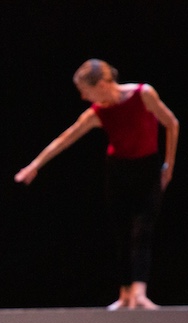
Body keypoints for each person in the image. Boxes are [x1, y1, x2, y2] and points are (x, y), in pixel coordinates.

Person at [15, 59, 179, 309]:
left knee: (142, 229)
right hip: (118, 171)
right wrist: (34, 166)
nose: (83, 96)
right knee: (122, 231)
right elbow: (65, 139)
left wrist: (168, 166)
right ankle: (125, 295)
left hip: (147, 169)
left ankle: (140, 292)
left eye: (85, 90)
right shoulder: (97, 112)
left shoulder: (143, 95)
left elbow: (171, 123)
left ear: (101, 84)